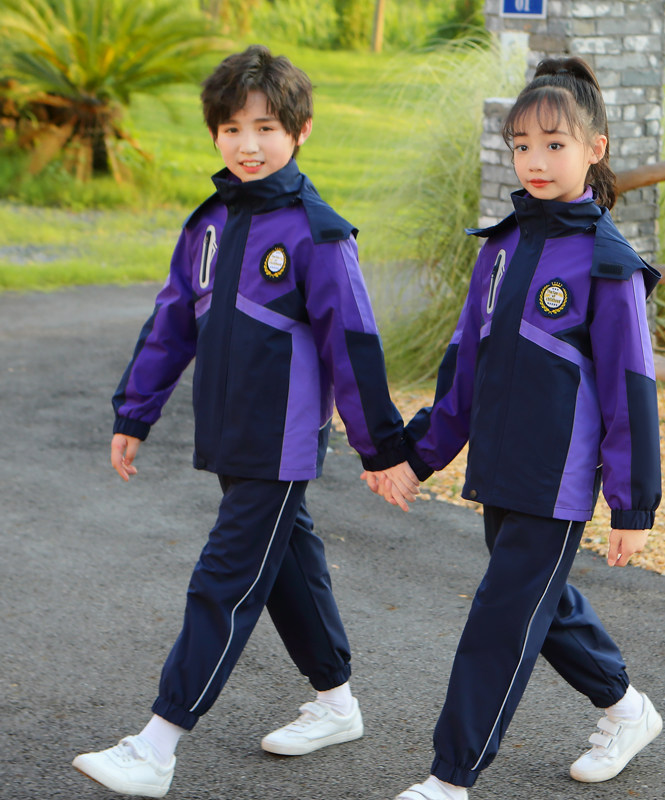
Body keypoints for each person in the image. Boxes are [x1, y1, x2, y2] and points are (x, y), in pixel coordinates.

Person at [72, 44, 417, 798]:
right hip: (227, 433)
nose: (248, 144)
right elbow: (173, 322)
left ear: (302, 130)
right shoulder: (210, 225)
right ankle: (336, 703)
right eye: (231, 128)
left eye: (265, 126)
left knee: (224, 580)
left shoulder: (317, 233)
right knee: (289, 565)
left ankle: (156, 748)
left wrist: (380, 447)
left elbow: (353, 345)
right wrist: (135, 411)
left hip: (281, 441)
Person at [364, 56, 664, 800]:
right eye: (522, 144)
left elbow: (632, 391)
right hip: (498, 466)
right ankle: (627, 709)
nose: (535, 160)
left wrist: (634, 505)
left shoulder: (608, 265)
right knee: (541, 601)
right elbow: (465, 368)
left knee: (502, 617)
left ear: (594, 149)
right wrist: (417, 456)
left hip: (556, 479)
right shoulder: (500, 248)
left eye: (554, 145)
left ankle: (450, 776)